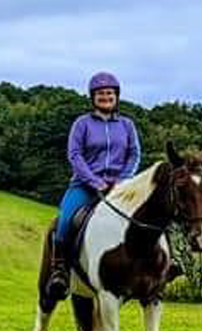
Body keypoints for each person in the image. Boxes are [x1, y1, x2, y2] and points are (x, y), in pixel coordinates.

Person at [45, 72, 141, 302]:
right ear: (93, 98)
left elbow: (134, 153)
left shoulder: (127, 125)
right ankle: (59, 270)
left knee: (151, 213)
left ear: (116, 96)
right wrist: (95, 181)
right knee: (65, 220)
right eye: (100, 94)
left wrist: (123, 179)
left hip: (121, 188)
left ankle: (164, 264)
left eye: (109, 93)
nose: (105, 97)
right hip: (85, 186)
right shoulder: (82, 124)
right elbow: (75, 155)